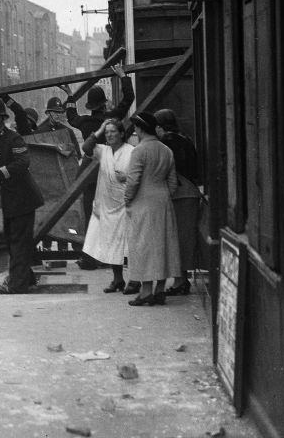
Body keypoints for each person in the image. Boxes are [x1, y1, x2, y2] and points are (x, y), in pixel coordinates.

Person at [0, 96, 45, 294]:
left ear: (3, 118)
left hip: (24, 199)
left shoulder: (14, 138)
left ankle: (16, 285)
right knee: (14, 243)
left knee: (19, 243)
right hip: (11, 200)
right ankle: (26, 278)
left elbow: (23, 164)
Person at [65, 64, 135, 268]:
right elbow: (128, 99)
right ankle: (114, 256)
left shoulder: (85, 123)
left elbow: (71, 116)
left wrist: (70, 95)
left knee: (91, 215)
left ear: (90, 106)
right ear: (104, 105)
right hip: (109, 172)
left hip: (88, 175)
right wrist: (123, 76)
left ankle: (91, 258)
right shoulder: (110, 119)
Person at [123, 112, 181, 306]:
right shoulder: (166, 150)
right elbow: (173, 182)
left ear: (139, 129)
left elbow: (133, 181)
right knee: (163, 244)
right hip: (163, 201)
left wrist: (127, 200)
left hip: (143, 202)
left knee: (143, 246)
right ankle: (160, 289)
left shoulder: (138, 151)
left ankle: (146, 291)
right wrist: (164, 196)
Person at [80, 118, 136, 293]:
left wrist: (126, 177)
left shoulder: (132, 151)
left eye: (113, 131)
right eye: (107, 132)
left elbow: (139, 174)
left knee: (130, 244)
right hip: (106, 203)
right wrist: (99, 128)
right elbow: (86, 148)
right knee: (111, 241)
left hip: (126, 203)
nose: (109, 135)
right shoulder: (103, 151)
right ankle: (117, 279)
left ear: (121, 133)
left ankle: (135, 280)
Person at [155, 108, 200, 296]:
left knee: (177, 238)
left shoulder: (168, 142)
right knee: (185, 238)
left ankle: (181, 281)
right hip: (189, 191)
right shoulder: (185, 139)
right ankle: (182, 278)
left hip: (179, 194)